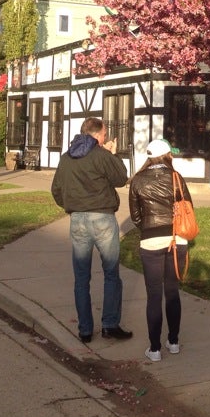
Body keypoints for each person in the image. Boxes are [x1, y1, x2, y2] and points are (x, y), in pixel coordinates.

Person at [51, 117, 133, 344]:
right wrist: (113, 154)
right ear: (97, 134)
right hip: (102, 217)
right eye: (104, 134)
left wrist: (72, 205)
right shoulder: (101, 155)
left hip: (78, 219)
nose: (105, 138)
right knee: (111, 274)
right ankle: (110, 325)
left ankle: (85, 330)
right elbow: (121, 178)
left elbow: (56, 189)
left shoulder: (66, 157)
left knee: (81, 277)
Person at [127, 139, 191, 362]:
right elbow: (188, 207)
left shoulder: (137, 180)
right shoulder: (176, 177)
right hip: (176, 238)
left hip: (151, 240)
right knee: (172, 291)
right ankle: (173, 342)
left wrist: (148, 229)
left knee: (154, 295)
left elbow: (135, 216)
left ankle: (154, 349)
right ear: (167, 156)